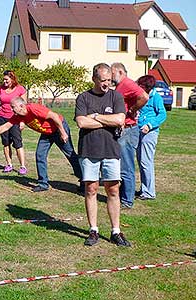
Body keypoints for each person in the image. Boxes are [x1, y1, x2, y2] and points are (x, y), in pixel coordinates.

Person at [75, 63, 130, 247]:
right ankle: (93, 230)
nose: (106, 84)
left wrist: (96, 117)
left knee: (113, 190)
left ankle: (116, 231)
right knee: (91, 189)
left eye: (109, 80)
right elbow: (82, 123)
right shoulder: (83, 98)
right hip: (89, 150)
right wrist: (108, 121)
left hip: (111, 150)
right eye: (102, 80)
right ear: (94, 79)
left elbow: (120, 119)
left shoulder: (116, 96)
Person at [0, 97, 82, 192]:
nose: (12, 110)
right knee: (40, 155)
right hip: (46, 133)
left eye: (13, 107)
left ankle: (85, 180)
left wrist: (63, 132)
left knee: (70, 155)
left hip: (58, 128)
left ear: (21, 106)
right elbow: (6, 126)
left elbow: (54, 116)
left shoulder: (33, 108)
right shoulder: (18, 116)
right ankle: (43, 184)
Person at [111, 63, 149, 209]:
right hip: (123, 129)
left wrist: (132, 109)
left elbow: (144, 96)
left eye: (112, 73)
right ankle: (123, 196)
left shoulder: (127, 83)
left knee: (126, 166)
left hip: (128, 129)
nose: (111, 77)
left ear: (120, 72)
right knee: (122, 165)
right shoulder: (122, 85)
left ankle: (127, 200)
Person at [0, 70, 27, 175]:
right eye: (3, 79)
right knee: (6, 142)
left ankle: (22, 166)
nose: (4, 81)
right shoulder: (0, 89)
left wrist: (23, 121)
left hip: (15, 119)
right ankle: (9, 164)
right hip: (2, 118)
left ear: (12, 79)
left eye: (6, 79)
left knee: (17, 142)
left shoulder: (20, 89)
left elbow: (24, 107)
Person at [135, 75, 167, 200]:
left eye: (141, 85)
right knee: (140, 161)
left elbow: (162, 114)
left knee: (146, 161)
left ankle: (149, 193)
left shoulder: (156, 97)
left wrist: (150, 125)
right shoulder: (142, 95)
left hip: (150, 133)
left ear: (147, 86)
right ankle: (144, 189)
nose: (139, 87)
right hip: (138, 130)